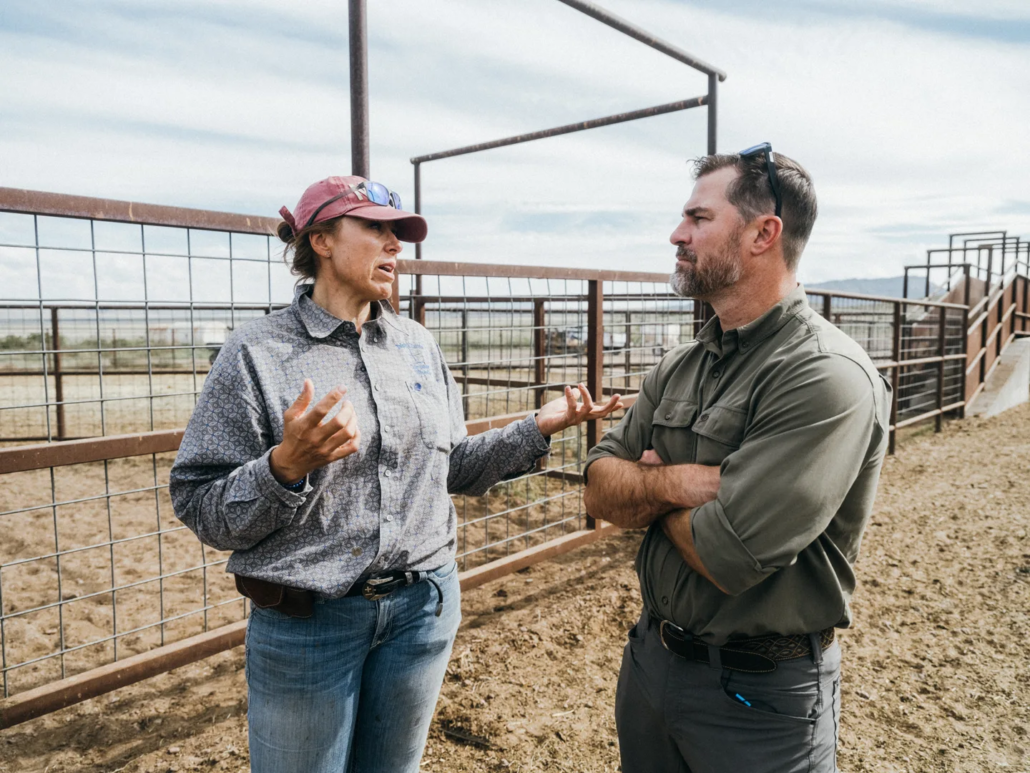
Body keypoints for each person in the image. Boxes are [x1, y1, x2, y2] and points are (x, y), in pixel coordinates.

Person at [169, 175, 622, 773]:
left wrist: (539, 426)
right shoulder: (256, 352)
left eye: (397, 234)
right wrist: (286, 467)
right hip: (309, 628)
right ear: (322, 241)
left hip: (422, 612)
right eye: (376, 229)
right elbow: (199, 502)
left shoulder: (415, 346)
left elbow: (453, 467)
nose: (394, 246)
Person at [583, 145, 891, 772]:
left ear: (763, 233)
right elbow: (596, 490)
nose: (678, 234)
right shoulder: (684, 362)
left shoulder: (823, 375)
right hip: (651, 666)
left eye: (698, 218)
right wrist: (680, 485)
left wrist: (646, 484)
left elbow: (728, 554)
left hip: (760, 700)